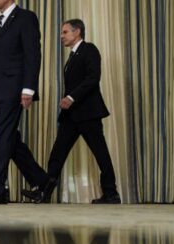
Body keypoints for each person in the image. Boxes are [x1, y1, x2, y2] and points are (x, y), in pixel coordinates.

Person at [23, 19, 120, 204]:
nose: (61, 36)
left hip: (88, 113)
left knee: (101, 154)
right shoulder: (72, 56)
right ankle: (44, 193)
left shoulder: (89, 49)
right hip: (71, 116)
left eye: (65, 32)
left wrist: (71, 98)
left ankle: (111, 194)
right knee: (57, 154)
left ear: (77, 32)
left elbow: (93, 78)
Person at [0, 0, 54, 204]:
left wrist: (28, 88)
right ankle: (43, 181)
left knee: (2, 139)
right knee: (11, 141)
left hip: (15, 89)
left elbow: (32, 55)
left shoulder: (26, 18)